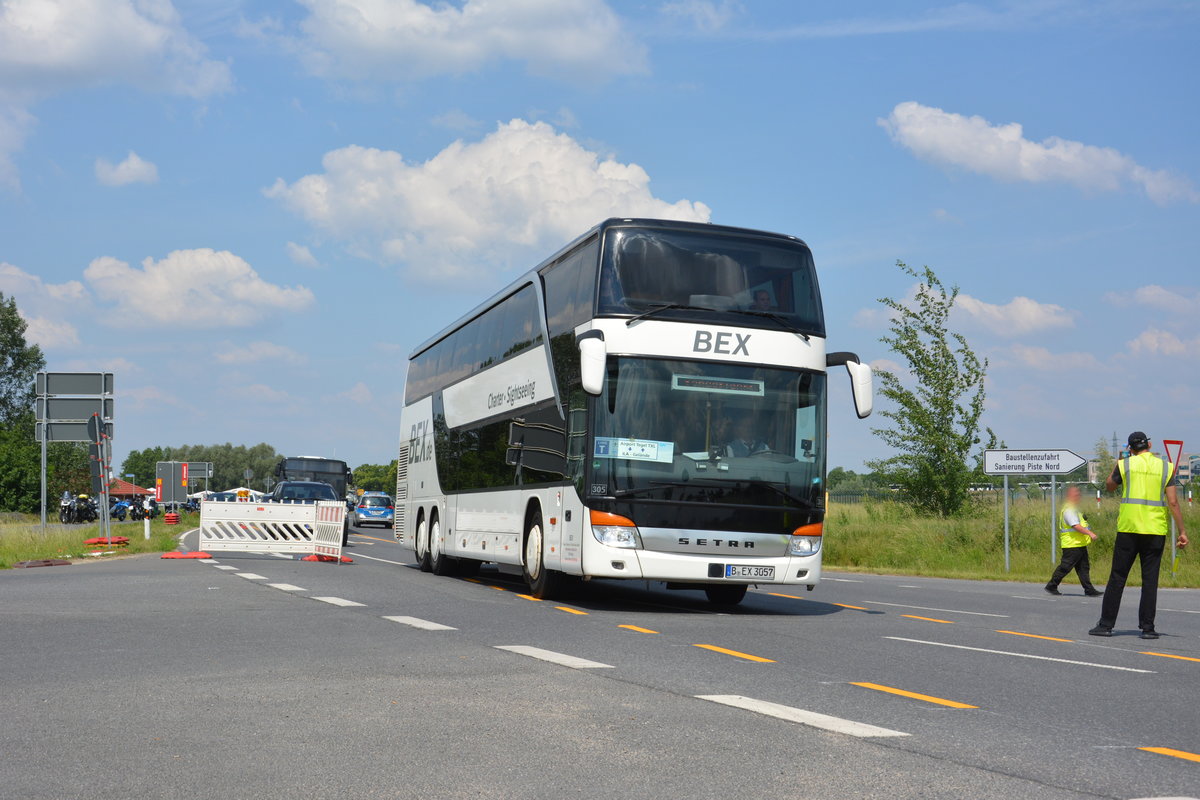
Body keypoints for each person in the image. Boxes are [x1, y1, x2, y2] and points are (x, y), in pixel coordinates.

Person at [1089, 432, 1189, 639]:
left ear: (1130, 448)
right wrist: (1182, 531)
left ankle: (1106, 625)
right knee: (1150, 580)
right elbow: (1172, 502)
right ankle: (1148, 628)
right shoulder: (1165, 467)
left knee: (1118, 577)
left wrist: (1119, 461)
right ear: (1149, 445)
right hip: (1155, 531)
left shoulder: (1125, 464)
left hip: (1129, 528)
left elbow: (1109, 486)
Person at [1045, 486, 1102, 596]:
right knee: (1065, 567)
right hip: (1071, 544)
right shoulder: (1069, 509)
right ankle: (1051, 585)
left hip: (1079, 543)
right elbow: (1075, 526)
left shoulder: (1074, 509)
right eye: (1076, 494)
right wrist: (1090, 533)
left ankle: (1089, 590)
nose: (1078, 496)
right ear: (1069, 496)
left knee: (1083, 568)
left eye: (1078, 494)